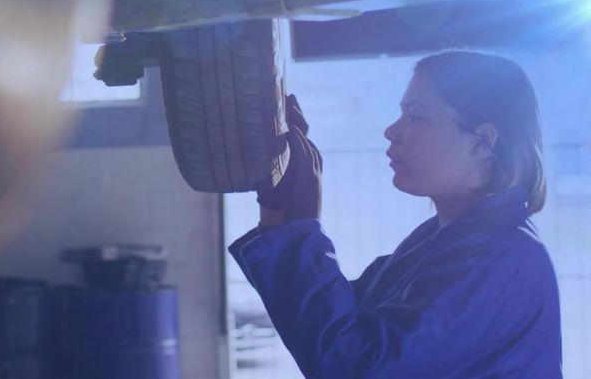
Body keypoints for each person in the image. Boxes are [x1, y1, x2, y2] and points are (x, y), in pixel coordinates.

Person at [228, 50, 562, 378]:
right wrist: (278, 208)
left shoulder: (498, 258)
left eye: (416, 115)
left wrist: (299, 225)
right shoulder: (443, 242)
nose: (392, 130)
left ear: (482, 141)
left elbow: (356, 366)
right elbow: (336, 323)